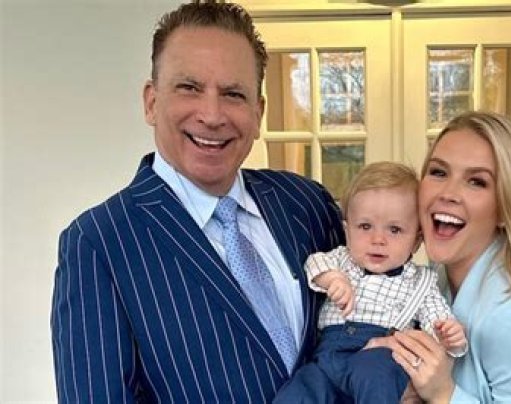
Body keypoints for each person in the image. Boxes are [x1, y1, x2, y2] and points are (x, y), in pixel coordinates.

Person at [50, 1, 344, 402]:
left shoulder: (306, 204)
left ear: (258, 113)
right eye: (189, 88)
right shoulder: (99, 242)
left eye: (233, 94)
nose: (212, 114)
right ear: (152, 102)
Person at [388, 111, 511, 403]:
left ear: (507, 207)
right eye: (439, 172)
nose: (448, 193)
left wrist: (444, 395)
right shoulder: (438, 278)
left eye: (477, 181)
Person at [274, 162, 467, 404]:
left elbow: (437, 319)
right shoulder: (342, 260)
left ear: (416, 241)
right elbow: (314, 263)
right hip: (327, 357)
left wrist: (449, 335)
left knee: (376, 378)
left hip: (379, 356)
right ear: (347, 231)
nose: (378, 239)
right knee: (300, 389)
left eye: (394, 230)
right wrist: (332, 278)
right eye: (365, 226)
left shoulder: (421, 282)